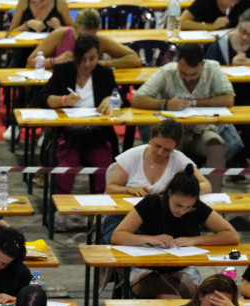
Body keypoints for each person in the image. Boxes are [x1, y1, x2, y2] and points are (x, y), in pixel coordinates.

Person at [111, 165, 239, 299]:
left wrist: (195, 240)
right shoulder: (151, 203)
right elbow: (118, 235)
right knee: (167, 296)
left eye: (188, 207)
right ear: (169, 193)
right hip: (145, 268)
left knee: (171, 297)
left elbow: (231, 235)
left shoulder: (197, 207)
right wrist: (149, 239)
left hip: (184, 269)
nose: (182, 211)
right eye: (178, 205)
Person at [133, 44, 243, 191]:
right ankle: (170, 198)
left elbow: (229, 98)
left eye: (193, 75)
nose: (188, 78)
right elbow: (138, 98)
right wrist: (165, 104)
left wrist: (195, 103)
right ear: (178, 63)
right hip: (173, 133)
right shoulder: (167, 71)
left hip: (202, 130)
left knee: (216, 146)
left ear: (202, 65)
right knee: (168, 148)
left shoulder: (213, 68)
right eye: (184, 74)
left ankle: (212, 198)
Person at [37, 35, 118, 201]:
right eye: (83, 59)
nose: (87, 64)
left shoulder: (105, 74)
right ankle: (59, 213)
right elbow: (43, 97)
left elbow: (120, 95)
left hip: (98, 135)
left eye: (92, 59)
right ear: (75, 57)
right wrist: (63, 100)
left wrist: (112, 98)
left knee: (104, 170)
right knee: (65, 170)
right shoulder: (63, 71)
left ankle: (99, 215)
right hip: (69, 135)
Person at [106, 117, 211, 196]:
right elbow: (111, 188)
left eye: (167, 150)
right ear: (150, 138)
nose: (160, 152)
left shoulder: (179, 159)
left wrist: (178, 191)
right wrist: (129, 190)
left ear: (175, 147)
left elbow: (206, 186)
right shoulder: (131, 156)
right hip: (125, 213)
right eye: (157, 146)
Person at [24, 8, 141, 70]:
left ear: (96, 32)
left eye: (90, 37)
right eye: (81, 36)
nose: (85, 41)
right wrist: (54, 61)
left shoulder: (100, 41)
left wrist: (103, 63)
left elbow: (134, 59)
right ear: (74, 28)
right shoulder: (59, 35)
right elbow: (30, 62)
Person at [9, 0, 73, 35]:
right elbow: (10, 33)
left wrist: (59, 28)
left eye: (42, 1)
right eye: (33, 2)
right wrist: (27, 25)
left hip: (53, 50)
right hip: (25, 50)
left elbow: (74, 31)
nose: (38, 5)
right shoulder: (24, 2)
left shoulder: (60, 3)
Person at [182, 0, 249, 30]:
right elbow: (181, 22)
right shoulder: (205, 1)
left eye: (237, 1)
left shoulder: (245, 3)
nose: (233, 4)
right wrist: (211, 26)